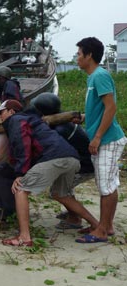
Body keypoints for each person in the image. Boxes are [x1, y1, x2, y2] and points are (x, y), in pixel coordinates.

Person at [0, 99, 98, 247]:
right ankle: (96, 225)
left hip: (54, 157)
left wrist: (20, 173)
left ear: (11, 112)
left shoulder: (16, 120)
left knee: (20, 189)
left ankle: (24, 237)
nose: (0, 117)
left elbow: (22, 144)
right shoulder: (34, 119)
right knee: (61, 194)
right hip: (71, 157)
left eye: (1, 113)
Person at [75, 37, 127, 243]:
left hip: (108, 139)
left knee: (106, 184)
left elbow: (111, 107)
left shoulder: (100, 76)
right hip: (102, 138)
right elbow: (101, 109)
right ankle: (107, 226)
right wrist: (86, 118)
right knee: (106, 183)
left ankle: (102, 230)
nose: (77, 58)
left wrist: (96, 137)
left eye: (79, 54)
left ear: (89, 55)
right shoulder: (92, 77)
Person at [31, 92, 95, 230]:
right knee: (62, 190)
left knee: (59, 192)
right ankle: (73, 212)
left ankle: (75, 219)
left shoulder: (60, 129)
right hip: (83, 162)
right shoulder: (65, 122)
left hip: (85, 166)